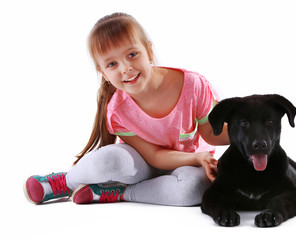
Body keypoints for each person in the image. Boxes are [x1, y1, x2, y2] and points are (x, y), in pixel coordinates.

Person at [24, 12, 229, 206]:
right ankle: (67, 181)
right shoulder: (118, 110)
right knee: (109, 159)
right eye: (112, 64)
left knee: (197, 189)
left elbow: (212, 134)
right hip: (142, 164)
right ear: (103, 72)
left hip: (186, 162)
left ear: (149, 51)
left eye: (132, 54)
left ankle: (117, 192)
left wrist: (253, 131)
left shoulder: (193, 85)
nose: (125, 68)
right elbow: (155, 156)